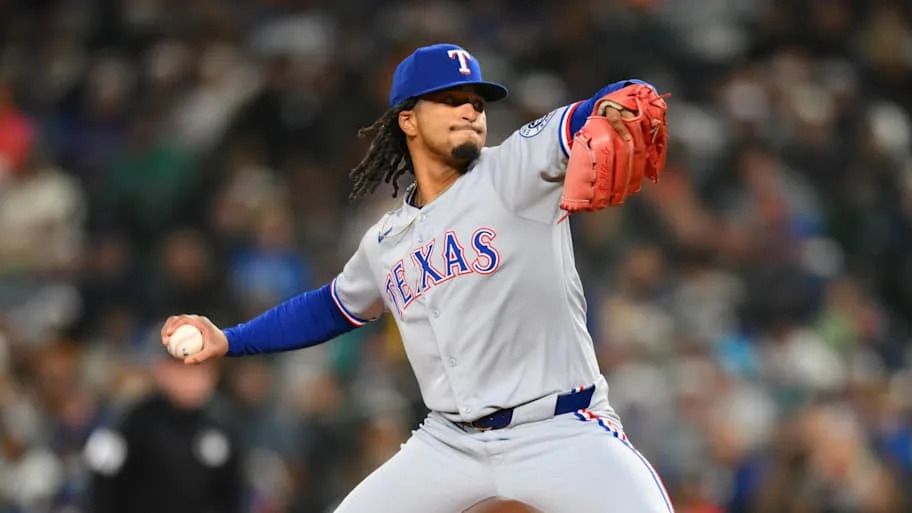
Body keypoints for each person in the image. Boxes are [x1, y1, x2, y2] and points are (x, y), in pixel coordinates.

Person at [162, 43, 672, 512]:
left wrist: (614, 101)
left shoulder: (514, 170)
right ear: (408, 119)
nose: (470, 110)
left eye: (476, 100)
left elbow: (587, 112)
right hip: (450, 443)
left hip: (561, 430)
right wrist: (228, 339)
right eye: (450, 100)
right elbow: (330, 307)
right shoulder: (386, 240)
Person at [84, 355, 243, 513]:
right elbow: (102, 487)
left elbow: (233, 493)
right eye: (184, 371)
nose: (192, 380)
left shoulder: (223, 422)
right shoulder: (132, 420)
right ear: (163, 371)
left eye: (201, 371)